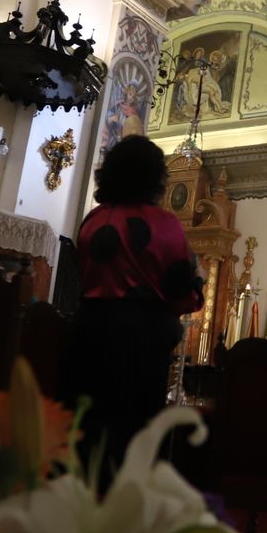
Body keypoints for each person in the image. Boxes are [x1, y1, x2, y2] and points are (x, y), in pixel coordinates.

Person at [63, 136, 203, 480]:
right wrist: (196, 285)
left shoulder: (93, 222)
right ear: (155, 179)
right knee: (132, 444)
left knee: (87, 438)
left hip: (88, 335)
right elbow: (182, 294)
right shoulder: (164, 225)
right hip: (140, 345)